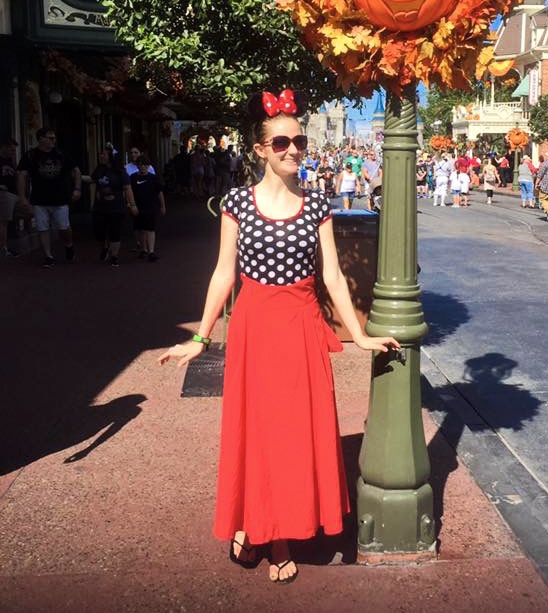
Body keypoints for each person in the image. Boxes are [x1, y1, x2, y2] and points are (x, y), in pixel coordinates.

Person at [157, 89, 400, 585]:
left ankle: (279, 529)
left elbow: (333, 276)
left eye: (301, 141)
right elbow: (223, 275)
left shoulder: (317, 205)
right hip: (253, 330)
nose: (293, 149)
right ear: (260, 149)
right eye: (282, 141)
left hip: (301, 329)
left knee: (295, 434)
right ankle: (261, 527)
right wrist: (200, 339)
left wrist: (361, 332)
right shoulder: (236, 203)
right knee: (257, 432)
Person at [17, 127, 82, 268]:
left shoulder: (61, 154)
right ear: (41, 139)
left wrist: (77, 188)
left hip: (60, 198)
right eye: (50, 138)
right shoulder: (30, 156)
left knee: (63, 226)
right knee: (43, 228)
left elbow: (76, 170)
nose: (54, 140)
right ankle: (48, 256)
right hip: (40, 198)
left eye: (54, 138)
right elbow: (22, 175)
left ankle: (69, 244)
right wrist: (22, 196)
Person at [88, 146, 136, 267]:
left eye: (104, 154)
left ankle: (114, 256)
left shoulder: (120, 171)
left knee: (115, 231)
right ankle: (104, 247)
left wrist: (132, 204)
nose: (101, 156)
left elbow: (127, 188)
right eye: (100, 154)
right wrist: (76, 177)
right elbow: (91, 179)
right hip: (100, 206)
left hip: (116, 206)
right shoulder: (99, 169)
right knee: (99, 231)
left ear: (110, 157)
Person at [129, 156, 166, 261]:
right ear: (137, 166)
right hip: (137, 207)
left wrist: (162, 206)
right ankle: (143, 249)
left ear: (148, 166)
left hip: (150, 207)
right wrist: (130, 204)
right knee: (140, 229)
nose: (142, 167)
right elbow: (128, 191)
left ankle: (151, 251)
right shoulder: (133, 178)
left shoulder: (153, 178)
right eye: (140, 165)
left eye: (145, 165)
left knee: (150, 229)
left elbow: (159, 192)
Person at [0, 136, 19, 257]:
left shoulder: (10, 161)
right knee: (3, 221)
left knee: (29, 212)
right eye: (11, 150)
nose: (13, 152)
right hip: (4, 194)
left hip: (13, 194)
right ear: (4, 148)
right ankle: (3, 249)